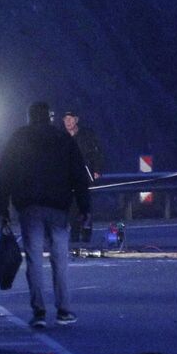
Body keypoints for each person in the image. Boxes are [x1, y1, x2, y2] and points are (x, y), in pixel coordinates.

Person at [0, 101, 92, 329]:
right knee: (60, 260)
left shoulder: (18, 138)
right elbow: (79, 175)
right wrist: (85, 208)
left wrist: (3, 208)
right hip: (59, 208)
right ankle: (64, 310)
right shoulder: (63, 139)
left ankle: (39, 312)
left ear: (29, 116)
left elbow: (5, 174)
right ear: (48, 117)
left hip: (29, 207)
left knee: (34, 260)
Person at [62, 109, 106, 254]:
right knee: (71, 207)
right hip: (68, 178)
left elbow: (97, 153)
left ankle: (86, 234)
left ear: (76, 120)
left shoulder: (86, 135)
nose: (68, 122)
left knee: (85, 207)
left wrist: (97, 170)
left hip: (84, 176)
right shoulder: (60, 137)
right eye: (65, 119)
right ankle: (74, 237)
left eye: (70, 119)